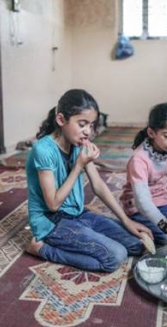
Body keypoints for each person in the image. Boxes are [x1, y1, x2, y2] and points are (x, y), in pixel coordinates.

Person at [25, 89, 151, 272]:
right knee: (116, 257)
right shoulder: (43, 150)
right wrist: (78, 166)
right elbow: (52, 204)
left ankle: (85, 234)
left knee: (138, 244)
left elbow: (98, 185)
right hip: (51, 221)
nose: (87, 132)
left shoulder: (78, 144)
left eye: (91, 126)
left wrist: (126, 221)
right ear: (61, 120)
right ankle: (42, 248)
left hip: (78, 214)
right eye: (82, 124)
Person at [120, 102, 167, 245]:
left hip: (162, 202)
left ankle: (153, 228)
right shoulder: (139, 160)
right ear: (151, 133)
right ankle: (129, 224)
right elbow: (142, 201)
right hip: (138, 208)